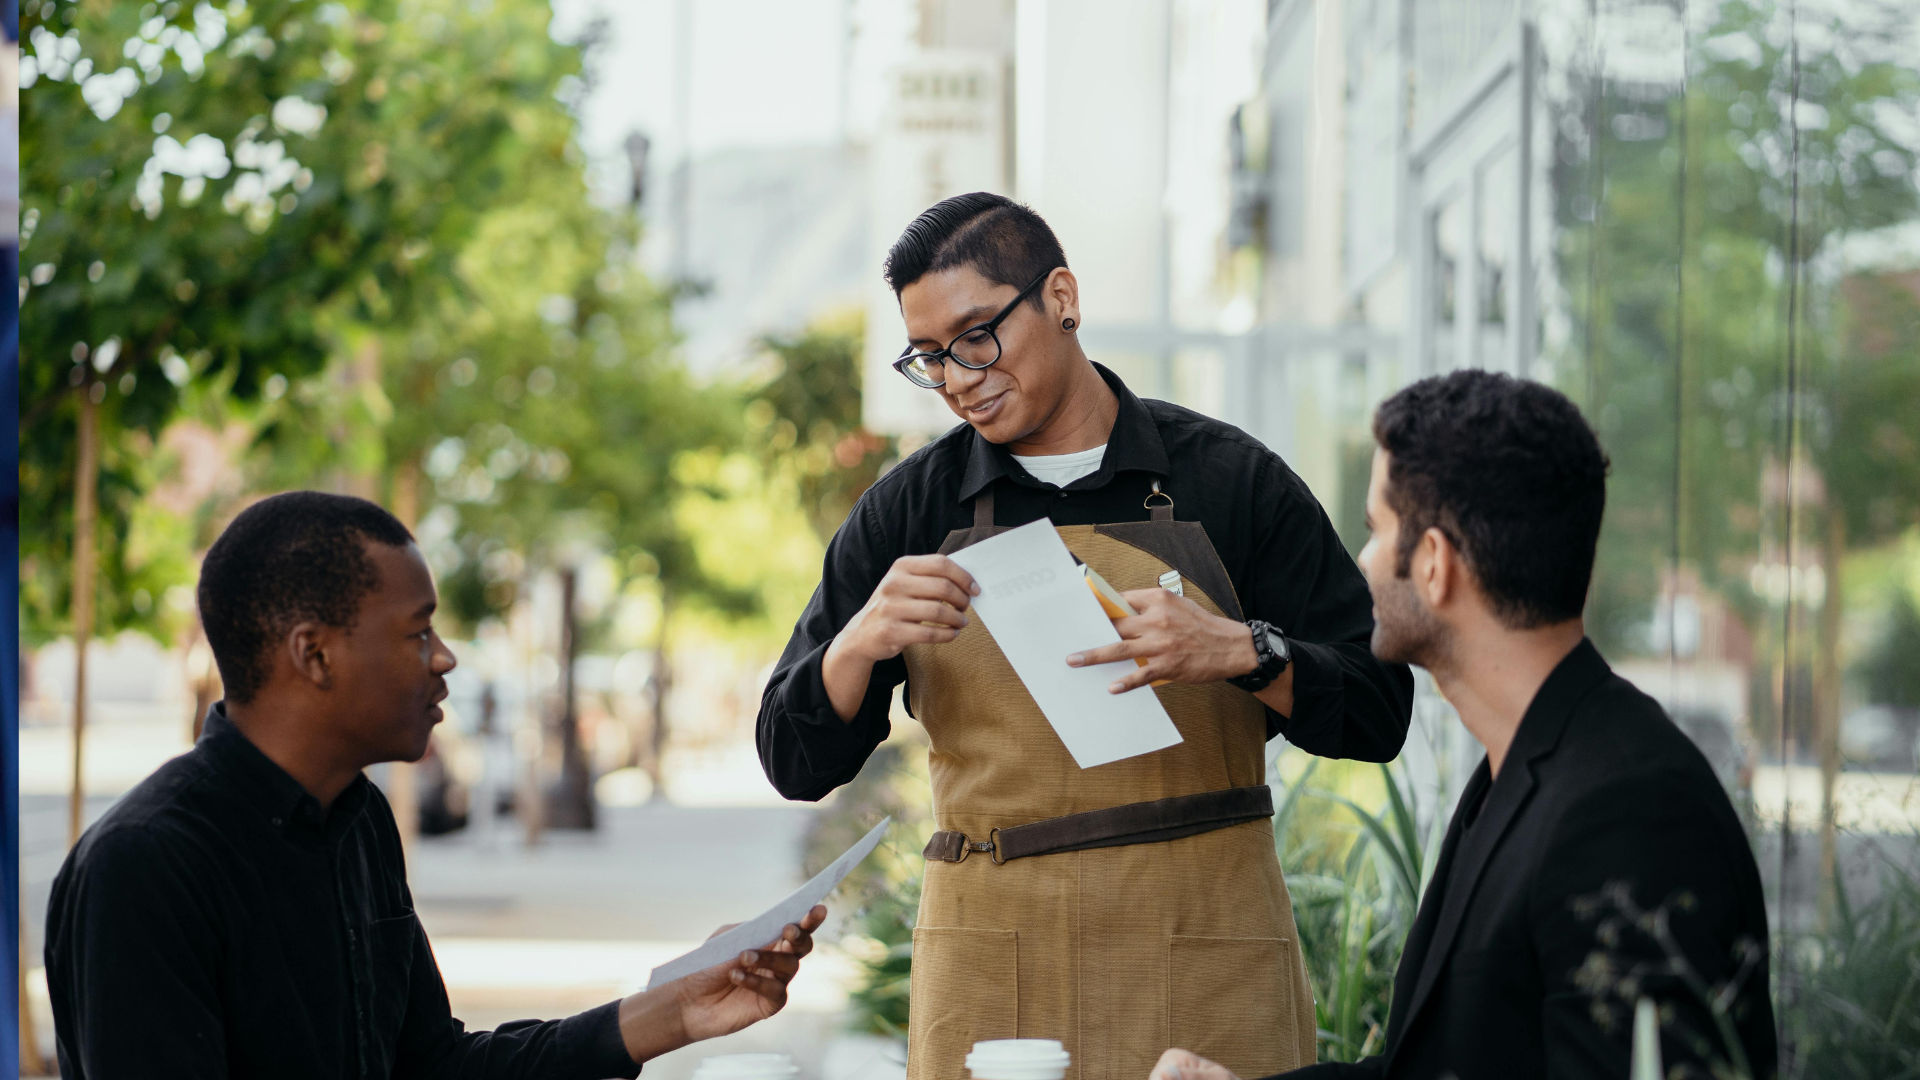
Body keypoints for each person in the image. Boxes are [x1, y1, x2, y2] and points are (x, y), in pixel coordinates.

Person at [757, 192, 1414, 1080]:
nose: (958, 377)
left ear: (1060, 296)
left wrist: (1244, 652)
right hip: (992, 960)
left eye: (977, 335)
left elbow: (1379, 713)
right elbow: (793, 762)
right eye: (929, 357)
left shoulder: (1233, 481)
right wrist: (858, 642)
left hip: (1206, 949)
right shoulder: (910, 509)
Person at [46, 492, 826, 1079]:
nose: (446, 658)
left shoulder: (356, 822)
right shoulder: (146, 866)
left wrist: (671, 1010)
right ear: (313, 655)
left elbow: (430, 1066)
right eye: (418, 632)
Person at [1149, 371, 1777, 1080]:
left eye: (1377, 532)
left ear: (1436, 566)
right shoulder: (1528, 770)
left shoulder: (1630, 812)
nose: (1362, 563)